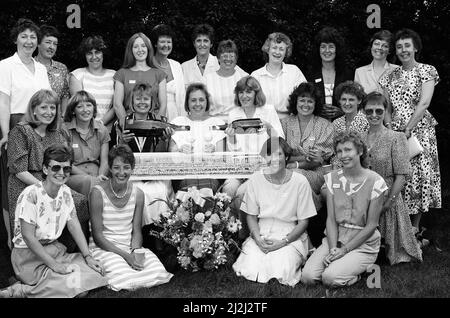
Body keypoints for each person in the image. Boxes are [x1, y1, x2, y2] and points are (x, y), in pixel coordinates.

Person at [0, 144, 107, 298]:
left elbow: (74, 224)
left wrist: (88, 256)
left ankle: (53, 284)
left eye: (66, 169)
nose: (61, 173)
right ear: (45, 169)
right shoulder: (31, 194)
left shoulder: (65, 192)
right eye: (56, 168)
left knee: (98, 272)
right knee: (77, 289)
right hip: (29, 256)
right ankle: (20, 291)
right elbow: (28, 237)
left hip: (54, 249)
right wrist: (54, 265)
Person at [301, 131, 388, 287]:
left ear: (360, 151)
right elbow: (331, 219)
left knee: (329, 278)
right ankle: (340, 264)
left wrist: (345, 250)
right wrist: (334, 248)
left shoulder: (376, 182)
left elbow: (371, 226)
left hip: (363, 244)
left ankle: (358, 274)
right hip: (335, 239)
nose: (343, 155)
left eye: (348, 150)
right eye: (339, 151)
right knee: (308, 278)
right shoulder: (332, 178)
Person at [7, 90, 90, 251]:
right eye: (44, 107)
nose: (49, 112)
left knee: (78, 202)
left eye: (52, 108)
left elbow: (65, 163)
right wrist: (45, 188)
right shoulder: (21, 131)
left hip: (53, 179)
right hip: (25, 182)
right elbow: (19, 170)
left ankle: (68, 249)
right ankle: (26, 257)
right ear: (34, 110)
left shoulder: (57, 132)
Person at [379, 28, 441, 236]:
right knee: (397, 174)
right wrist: (389, 128)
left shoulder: (427, 70)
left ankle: (414, 227)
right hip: (395, 131)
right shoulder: (389, 75)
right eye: (399, 47)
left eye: (407, 45)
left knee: (419, 175)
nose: (403, 50)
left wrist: (409, 128)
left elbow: (424, 103)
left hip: (420, 130)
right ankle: (397, 222)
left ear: (415, 48)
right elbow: (385, 106)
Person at [232, 137, 317, 286]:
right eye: (270, 154)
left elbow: (304, 222)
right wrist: (257, 238)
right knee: (249, 266)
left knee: (281, 268)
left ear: (287, 157)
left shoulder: (300, 181)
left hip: (290, 233)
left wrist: (283, 242)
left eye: (279, 154)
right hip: (262, 231)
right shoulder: (256, 179)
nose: (275, 159)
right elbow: (251, 216)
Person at [89, 144, 173, 291]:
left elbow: (136, 231)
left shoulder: (138, 194)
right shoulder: (97, 193)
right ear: (109, 168)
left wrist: (135, 250)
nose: (121, 172)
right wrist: (126, 257)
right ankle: (124, 272)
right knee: (124, 277)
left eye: (126, 167)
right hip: (104, 247)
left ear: (132, 168)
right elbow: (97, 236)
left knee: (157, 270)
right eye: (116, 167)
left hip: (128, 245)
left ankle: (133, 269)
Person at [0, 19, 51, 248]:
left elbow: (47, 102)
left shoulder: (41, 68)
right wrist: (5, 134)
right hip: (15, 126)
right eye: (24, 36)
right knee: (12, 188)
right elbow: (3, 102)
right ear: (15, 39)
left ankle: (40, 243)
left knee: (38, 183)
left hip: (39, 129)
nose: (29, 41)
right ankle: (14, 247)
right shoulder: (5, 66)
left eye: (33, 37)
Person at [362, 92, 422, 264]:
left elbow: (402, 175)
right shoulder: (359, 137)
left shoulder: (397, 137)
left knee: (394, 253)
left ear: (386, 111)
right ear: (363, 112)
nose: (374, 115)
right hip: (364, 195)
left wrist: (388, 202)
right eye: (369, 111)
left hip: (388, 194)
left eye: (379, 111)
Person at [110, 82, 174, 226]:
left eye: (146, 99)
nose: (142, 102)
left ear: (152, 102)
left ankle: (160, 233)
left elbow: (163, 156)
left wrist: (164, 139)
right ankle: (140, 233)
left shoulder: (160, 122)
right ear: (132, 101)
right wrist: (123, 142)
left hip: (155, 174)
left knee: (160, 190)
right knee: (140, 192)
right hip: (130, 174)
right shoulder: (121, 123)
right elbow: (115, 156)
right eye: (138, 99)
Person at [281, 82, 335, 247]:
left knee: (295, 177)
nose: (305, 105)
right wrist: (299, 159)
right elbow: (279, 155)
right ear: (295, 102)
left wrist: (294, 162)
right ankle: (301, 234)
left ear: (316, 104)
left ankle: (303, 233)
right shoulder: (284, 123)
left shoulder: (325, 125)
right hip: (288, 171)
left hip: (316, 174)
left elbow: (316, 162)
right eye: (302, 100)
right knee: (291, 178)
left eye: (310, 101)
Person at [222, 76, 284, 199]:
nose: (244, 96)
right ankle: (229, 218)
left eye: (248, 92)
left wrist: (268, 127)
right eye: (241, 92)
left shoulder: (268, 111)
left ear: (256, 94)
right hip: (241, 168)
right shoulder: (234, 114)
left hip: (264, 167)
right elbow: (233, 151)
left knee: (241, 192)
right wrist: (231, 138)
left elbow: (280, 141)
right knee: (228, 188)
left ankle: (244, 218)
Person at [169, 83, 226, 192]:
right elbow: (171, 154)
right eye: (193, 100)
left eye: (201, 100)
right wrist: (179, 151)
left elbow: (221, 158)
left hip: (210, 175)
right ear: (187, 102)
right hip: (184, 175)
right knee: (190, 189)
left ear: (207, 102)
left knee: (206, 189)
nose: (197, 104)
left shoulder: (217, 123)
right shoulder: (178, 122)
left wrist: (214, 153)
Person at [61, 91, 110, 197]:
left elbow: (104, 161)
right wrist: (93, 180)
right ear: (73, 111)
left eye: (89, 105)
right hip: (73, 176)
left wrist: (100, 177)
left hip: (97, 175)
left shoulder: (102, 130)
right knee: (89, 182)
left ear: (94, 109)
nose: (85, 110)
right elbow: (66, 162)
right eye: (80, 106)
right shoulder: (65, 130)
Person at [113, 32, 167, 124]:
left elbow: (163, 105)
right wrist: (128, 125)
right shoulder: (121, 74)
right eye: (136, 47)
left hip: (152, 124)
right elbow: (117, 105)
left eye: (143, 46)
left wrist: (156, 126)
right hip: (129, 125)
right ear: (131, 50)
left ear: (148, 48)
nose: (140, 49)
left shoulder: (159, 74)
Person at [251, 32, 307, 119]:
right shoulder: (256, 75)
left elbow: (306, 96)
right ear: (267, 49)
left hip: (290, 122)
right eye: (274, 48)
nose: (277, 52)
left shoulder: (294, 72)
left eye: (281, 49)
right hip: (263, 122)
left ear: (286, 52)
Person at [69, 35, 116, 128]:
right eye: (89, 53)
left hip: (108, 130)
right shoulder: (77, 75)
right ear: (85, 55)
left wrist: (100, 124)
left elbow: (116, 106)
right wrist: (91, 127)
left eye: (97, 52)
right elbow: (79, 106)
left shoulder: (114, 75)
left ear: (103, 53)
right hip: (83, 129)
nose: (94, 57)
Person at [308, 27, 353, 121]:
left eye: (331, 46)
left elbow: (355, 101)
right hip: (316, 125)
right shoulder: (310, 74)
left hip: (342, 125)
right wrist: (317, 110)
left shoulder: (348, 74)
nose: (327, 50)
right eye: (323, 46)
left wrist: (342, 111)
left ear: (337, 49)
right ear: (318, 49)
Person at [204, 39, 248, 122]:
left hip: (239, 123)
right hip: (214, 124)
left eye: (231, 56)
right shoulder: (207, 79)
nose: (228, 59)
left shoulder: (244, 78)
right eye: (224, 56)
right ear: (218, 58)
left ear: (236, 59)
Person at [150, 24, 186, 121]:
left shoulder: (177, 66)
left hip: (177, 115)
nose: (166, 45)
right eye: (162, 42)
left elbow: (182, 96)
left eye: (169, 42)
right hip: (154, 116)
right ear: (155, 44)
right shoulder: (148, 65)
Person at [35, 25, 70, 116]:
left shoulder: (62, 68)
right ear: (38, 44)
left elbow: (65, 94)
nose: (52, 47)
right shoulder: (29, 66)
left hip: (56, 119)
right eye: (48, 42)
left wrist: (63, 116)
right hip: (34, 118)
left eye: (55, 44)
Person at [354, 30, 398, 94]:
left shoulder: (397, 70)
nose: (380, 48)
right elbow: (357, 99)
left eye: (385, 46)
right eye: (377, 44)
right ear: (371, 47)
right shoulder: (360, 72)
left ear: (389, 51)